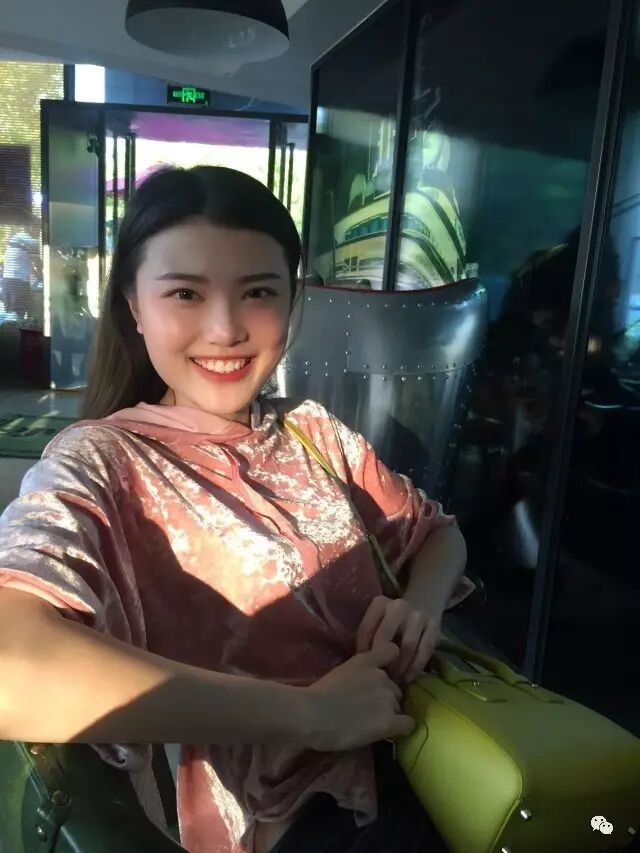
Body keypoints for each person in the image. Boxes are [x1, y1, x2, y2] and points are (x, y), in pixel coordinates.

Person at [0, 166, 472, 853]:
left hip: (441, 762)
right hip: (298, 821)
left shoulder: (315, 431)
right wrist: (311, 714)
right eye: (185, 293)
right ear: (134, 305)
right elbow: (12, 668)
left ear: (292, 301)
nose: (224, 329)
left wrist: (421, 605)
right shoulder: (104, 461)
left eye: (258, 292)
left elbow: (436, 534)